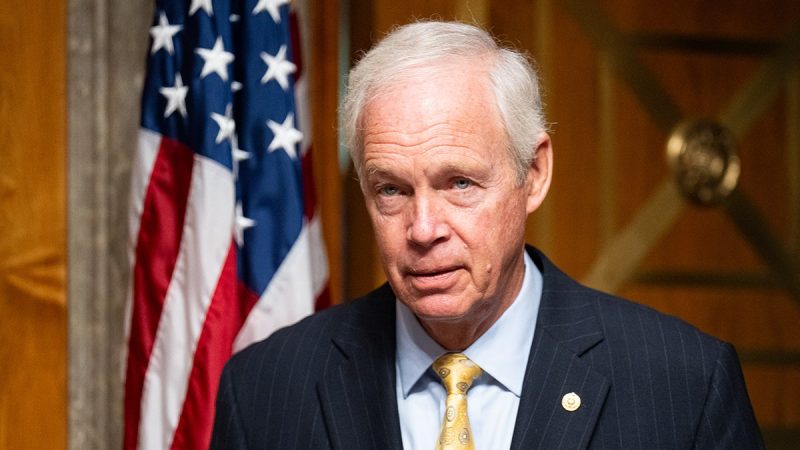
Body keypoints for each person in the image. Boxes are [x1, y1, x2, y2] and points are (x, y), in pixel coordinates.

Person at [210, 21, 763, 449]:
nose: (423, 230)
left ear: (534, 173)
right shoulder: (265, 391)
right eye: (392, 190)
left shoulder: (684, 383)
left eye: (460, 183)